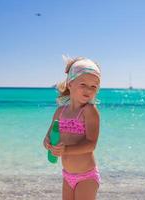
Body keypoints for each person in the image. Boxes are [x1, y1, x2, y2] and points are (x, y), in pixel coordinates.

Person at [43, 55, 102, 200]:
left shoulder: (89, 111)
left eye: (93, 86)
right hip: (67, 175)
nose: (88, 89)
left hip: (86, 176)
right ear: (70, 84)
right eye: (83, 84)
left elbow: (91, 144)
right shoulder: (60, 112)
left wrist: (66, 150)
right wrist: (48, 144)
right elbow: (48, 136)